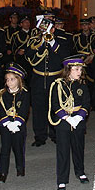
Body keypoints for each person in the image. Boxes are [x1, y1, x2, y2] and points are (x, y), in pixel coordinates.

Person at [48, 55, 91, 190]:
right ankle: (62, 179)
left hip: (78, 120)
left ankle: (80, 171)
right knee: (63, 150)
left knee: (78, 148)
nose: (79, 72)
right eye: (76, 69)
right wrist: (67, 118)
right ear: (68, 70)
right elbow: (55, 105)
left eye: (80, 69)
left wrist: (79, 117)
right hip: (63, 122)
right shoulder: (58, 85)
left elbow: (86, 103)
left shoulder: (82, 85)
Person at [25, 14, 69, 146]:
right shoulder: (34, 41)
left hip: (55, 78)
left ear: (53, 29)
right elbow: (28, 55)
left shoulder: (61, 40)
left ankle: (55, 134)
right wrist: (41, 43)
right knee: (38, 108)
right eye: (43, 28)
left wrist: (52, 42)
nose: (46, 31)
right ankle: (40, 136)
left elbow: (65, 57)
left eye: (49, 28)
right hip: (38, 78)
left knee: (55, 107)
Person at [0, 63, 30, 183]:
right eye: (7, 80)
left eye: (12, 79)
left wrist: (17, 123)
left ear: (19, 80)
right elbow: (0, 110)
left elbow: (24, 110)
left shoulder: (24, 94)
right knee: (5, 149)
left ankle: (20, 167)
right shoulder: (2, 94)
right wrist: (7, 123)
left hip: (19, 126)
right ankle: (2, 172)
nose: (9, 82)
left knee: (18, 147)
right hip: (6, 126)